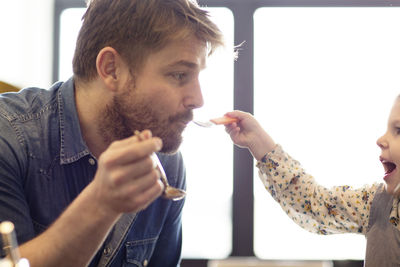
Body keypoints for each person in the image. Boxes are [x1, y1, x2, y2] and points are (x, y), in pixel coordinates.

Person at [0, 0, 224, 266]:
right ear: (111, 69)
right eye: (178, 75)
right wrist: (101, 205)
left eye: (198, 76)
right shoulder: (10, 139)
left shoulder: (165, 163)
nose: (198, 99)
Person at [224, 96, 400, 267]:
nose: (381, 140)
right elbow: (314, 202)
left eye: (398, 130)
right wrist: (258, 139)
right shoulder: (375, 202)